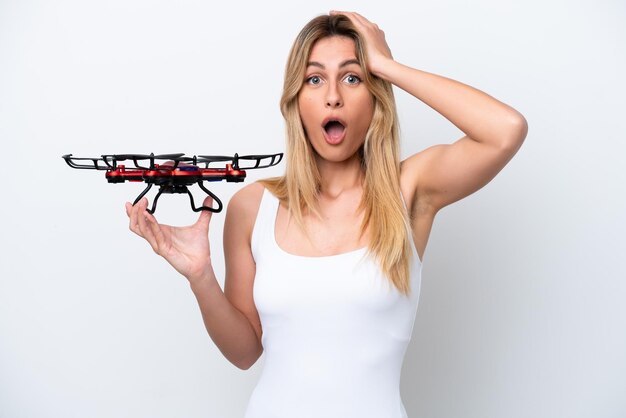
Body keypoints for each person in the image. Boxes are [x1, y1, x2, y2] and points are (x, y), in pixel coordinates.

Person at [126, 10, 527, 418]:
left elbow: (505, 130)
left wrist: (387, 65)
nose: (333, 95)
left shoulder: (409, 189)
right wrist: (201, 277)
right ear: (296, 100)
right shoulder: (253, 206)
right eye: (314, 79)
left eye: (352, 77)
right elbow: (245, 352)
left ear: (376, 96)